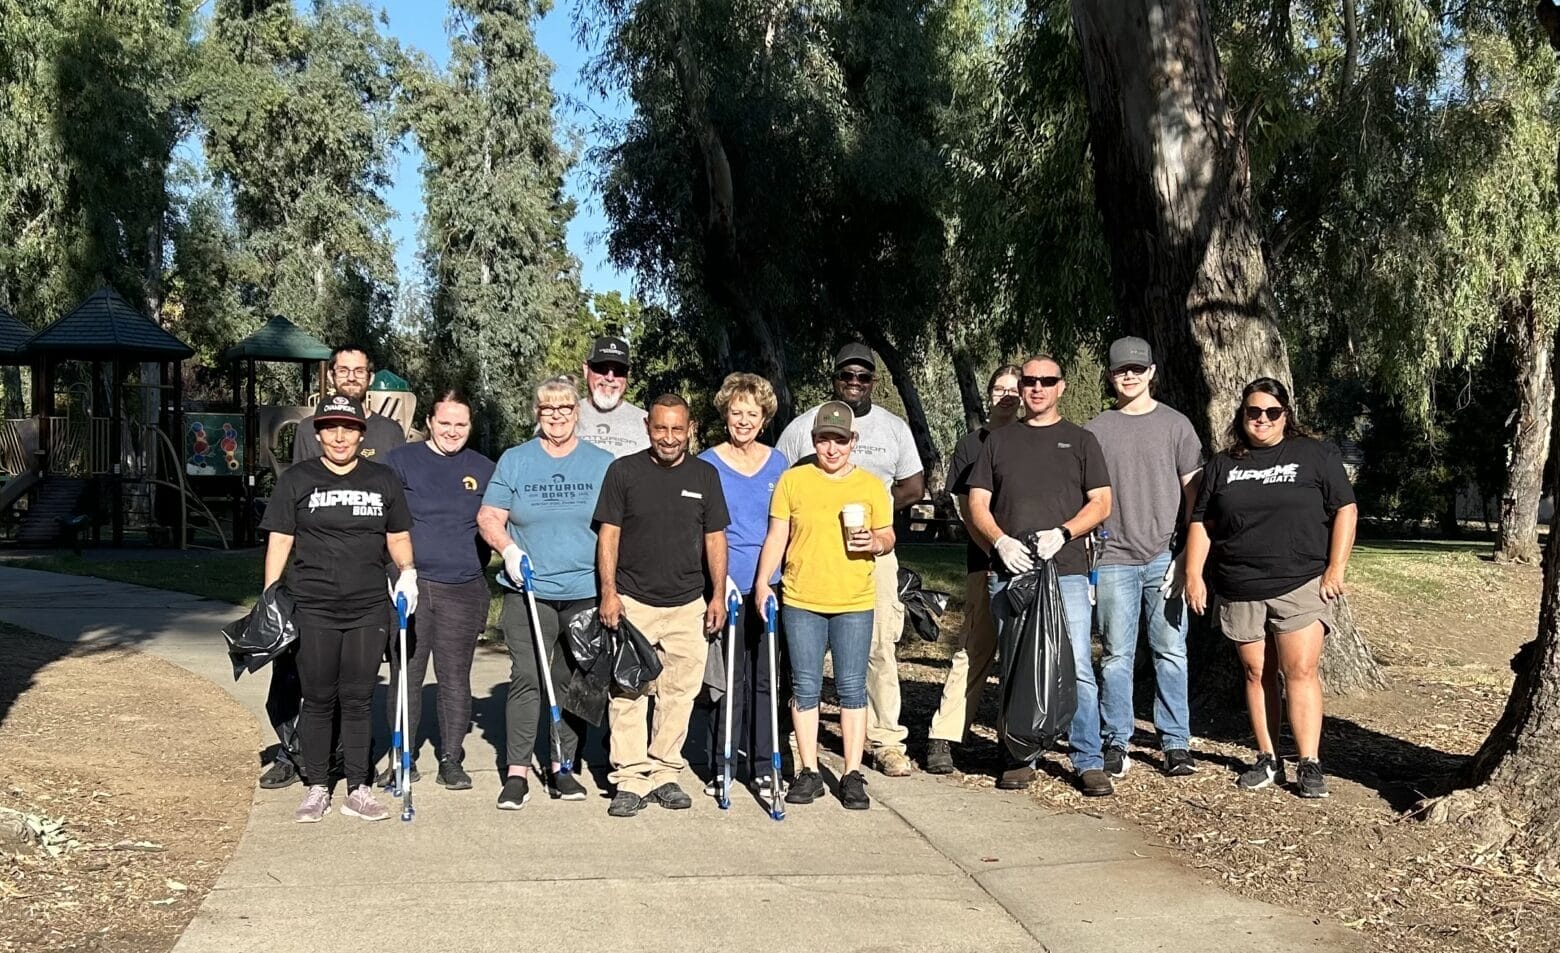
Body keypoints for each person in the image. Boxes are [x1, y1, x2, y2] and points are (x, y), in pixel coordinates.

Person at [1185, 377, 1357, 799]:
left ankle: (1309, 762)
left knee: (1299, 671)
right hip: (1240, 584)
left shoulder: (1314, 455)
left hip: (1299, 583)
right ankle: (1266, 757)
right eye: (1253, 412)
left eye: (1271, 412)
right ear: (1242, 415)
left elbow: (1346, 510)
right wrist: (1193, 574)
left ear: (1286, 415)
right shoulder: (1224, 464)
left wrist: (1336, 568)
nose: (1261, 419)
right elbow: (1201, 523)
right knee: (1256, 672)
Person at [260, 395, 418, 822]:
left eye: (348, 428)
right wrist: (270, 594)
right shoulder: (297, 479)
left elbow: (398, 535)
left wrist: (408, 573)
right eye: (331, 428)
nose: (339, 436)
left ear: (360, 432)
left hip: (367, 607)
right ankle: (316, 787)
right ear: (319, 433)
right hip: (313, 606)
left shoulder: (382, 479)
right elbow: (280, 540)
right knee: (318, 697)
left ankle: (359, 788)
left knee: (358, 697)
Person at [966, 355, 1114, 797]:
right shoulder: (999, 441)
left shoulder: (1082, 441)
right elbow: (977, 502)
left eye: (1046, 381)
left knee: (1076, 667)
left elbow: (1102, 502)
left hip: (1064, 569)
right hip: (1011, 571)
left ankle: (1087, 758)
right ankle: (1018, 754)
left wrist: (1065, 532)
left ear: (1061, 387)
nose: (1037, 388)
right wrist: (999, 542)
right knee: (1014, 663)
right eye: (1029, 381)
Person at [776, 343, 923, 778]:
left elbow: (914, 486)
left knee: (878, 647)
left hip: (872, 552)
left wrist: (875, 512)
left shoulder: (893, 428)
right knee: (803, 656)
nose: (854, 384)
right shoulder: (804, 427)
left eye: (863, 377)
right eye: (846, 376)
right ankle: (798, 741)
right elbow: (780, 480)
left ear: (874, 381)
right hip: (813, 554)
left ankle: (886, 740)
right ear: (834, 378)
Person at [477, 375, 614, 810]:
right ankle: (517, 772)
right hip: (528, 589)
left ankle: (563, 767)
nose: (556, 416)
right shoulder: (516, 460)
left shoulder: (602, 462)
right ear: (537, 413)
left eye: (565, 409)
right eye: (547, 409)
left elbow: (614, 527)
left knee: (572, 681)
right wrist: (509, 549)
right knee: (527, 677)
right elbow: (489, 516)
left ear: (578, 412)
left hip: (584, 591)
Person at [594, 394, 730, 817]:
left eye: (676, 429)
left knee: (679, 693)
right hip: (633, 601)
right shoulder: (623, 472)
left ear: (689, 429)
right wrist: (608, 593)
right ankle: (631, 778)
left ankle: (665, 772)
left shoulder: (705, 475)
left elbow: (715, 539)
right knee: (629, 691)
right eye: (660, 428)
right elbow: (609, 536)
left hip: (688, 603)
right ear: (647, 428)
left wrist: (718, 595)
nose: (668, 437)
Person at [756, 401, 895, 811]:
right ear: (813, 440)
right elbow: (777, 536)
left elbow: (887, 536)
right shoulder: (793, 481)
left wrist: (875, 542)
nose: (831, 449)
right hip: (801, 598)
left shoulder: (870, 486)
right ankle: (809, 770)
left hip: (853, 600)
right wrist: (764, 582)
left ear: (853, 441)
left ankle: (852, 773)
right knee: (805, 685)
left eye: (839, 440)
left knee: (852, 687)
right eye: (823, 439)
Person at [1085, 337, 1204, 779]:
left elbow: (1196, 496)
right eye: (1121, 370)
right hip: (1114, 556)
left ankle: (1175, 742)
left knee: (1170, 650)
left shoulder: (1177, 426)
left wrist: (1187, 555)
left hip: (1164, 556)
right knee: (1116, 654)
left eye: (1137, 369)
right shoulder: (1096, 430)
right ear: (1111, 376)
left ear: (1152, 372)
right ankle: (1116, 739)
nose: (1129, 376)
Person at [381, 390, 495, 791]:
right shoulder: (401, 461)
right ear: (429, 422)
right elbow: (386, 521)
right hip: (410, 583)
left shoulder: (483, 467)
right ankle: (403, 758)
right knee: (406, 675)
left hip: (463, 586)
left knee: (454, 676)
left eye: (460, 424)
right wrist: (400, 571)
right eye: (444, 423)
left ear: (470, 426)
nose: (452, 431)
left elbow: (498, 520)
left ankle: (451, 757)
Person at [924, 364, 1022, 775]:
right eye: (998, 388)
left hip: (1036, 567)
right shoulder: (971, 445)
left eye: (1013, 389)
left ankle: (1015, 740)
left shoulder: (1039, 440)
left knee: (1023, 657)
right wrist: (997, 549)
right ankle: (943, 737)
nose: (1005, 396)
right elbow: (968, 510)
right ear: (988, 395)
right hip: (985, 563)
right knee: (974, 649)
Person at [697, 373, 791, 798]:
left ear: (764, 417)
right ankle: (723, 761)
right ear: (725, 414)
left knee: (765, 679)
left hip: (768, 587)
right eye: (736, 413)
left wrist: (769, 579)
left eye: (752, 414)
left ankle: (763, 761)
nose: (744, 421)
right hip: (724, 586)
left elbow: (785, 527)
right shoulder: (707, 464)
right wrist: (719, 584)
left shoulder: (778, 465)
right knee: (727, 678)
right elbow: (699, 529)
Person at [577, 335, 650, 457]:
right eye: (601, 368)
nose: (610, 378)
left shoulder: (646, 422)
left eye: (619, 371)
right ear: (586, 369)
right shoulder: (562, 416)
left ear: (628, 375)